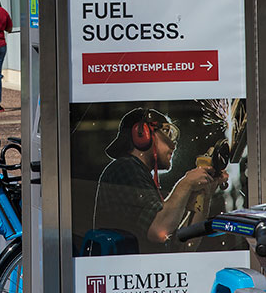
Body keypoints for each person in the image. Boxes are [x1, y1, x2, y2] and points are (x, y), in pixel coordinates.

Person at [91, 108, 226, 254]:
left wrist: (204, 193)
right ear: (142, 134)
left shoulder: (140, 175)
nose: (173, 145)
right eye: (167, 132)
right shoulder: (124, 168)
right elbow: (159, 231)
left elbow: (182, 247)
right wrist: (186, 183)